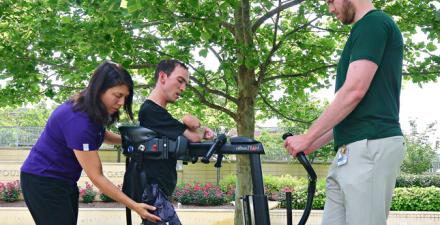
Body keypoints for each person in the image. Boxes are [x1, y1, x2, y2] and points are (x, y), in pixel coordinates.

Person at [284, 1, 405, 225]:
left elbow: (354, 91)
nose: (330, 9)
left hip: (370, 144)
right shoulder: (362, 29)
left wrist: (308, 136)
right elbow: (351, 107)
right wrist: (313, 143)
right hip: (350, 149)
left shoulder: (374, 23)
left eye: (331, 0)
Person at [20, 61, 161, 225]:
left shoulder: (89, 110)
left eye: (125, 97)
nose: (122, 103)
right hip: (43, 182)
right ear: (99, 89)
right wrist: (135, 205)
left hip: (64, 182)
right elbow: (97, 177)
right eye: (117, 95)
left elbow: (101, 134)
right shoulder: (78, 121)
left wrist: (132, 140)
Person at [136, 59, 214, 224]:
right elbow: (194, 137)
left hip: (159, 194)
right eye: (180, 81)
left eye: (185, 83)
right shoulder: (152, 112)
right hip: (155, 194)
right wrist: (199, 126)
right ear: (163, 77)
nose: (183, 88)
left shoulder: (159, 114)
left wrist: (197, 127)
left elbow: (190, 134)